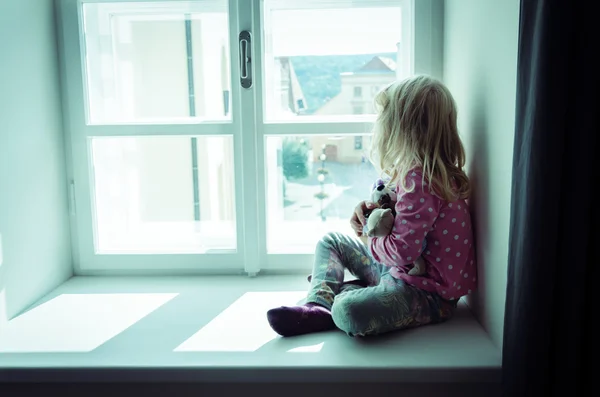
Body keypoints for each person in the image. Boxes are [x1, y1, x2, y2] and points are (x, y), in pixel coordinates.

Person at [266, 74, 477, 337]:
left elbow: (401, 251)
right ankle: (319, 305)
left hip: (427, 295)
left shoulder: (421, 180)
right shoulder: (419, 174)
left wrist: (368, 235)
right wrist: (368, 214)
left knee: (348, 311)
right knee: (331, 240)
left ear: (403, 128)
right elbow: (396, 221)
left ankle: (332, 295)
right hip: (398, 273)